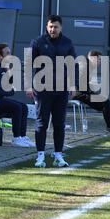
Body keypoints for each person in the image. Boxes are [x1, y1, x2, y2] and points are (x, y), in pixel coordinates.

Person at [27, 15, 77, 168]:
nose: (52, 29)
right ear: (46, 27)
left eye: (55, 27)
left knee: (59, 123)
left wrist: (73, 85)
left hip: (61, 89)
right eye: (50, 26)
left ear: (60, 27)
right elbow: (29, 64)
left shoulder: (67, 43)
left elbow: (73, 65)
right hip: (43, 88)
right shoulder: (38, 42)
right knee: (41, 122)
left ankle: (58, 155)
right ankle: (40, 155)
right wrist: (28, 85)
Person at [73, 50, 110, 135]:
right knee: (104, 102)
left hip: (84, 92)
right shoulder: (84, 66)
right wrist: (88, 94)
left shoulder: (89, 66)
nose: (100, 62)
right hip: (77, 94)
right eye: (99, 59)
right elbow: (76, 84)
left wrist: (91, 92)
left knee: (105, 101)